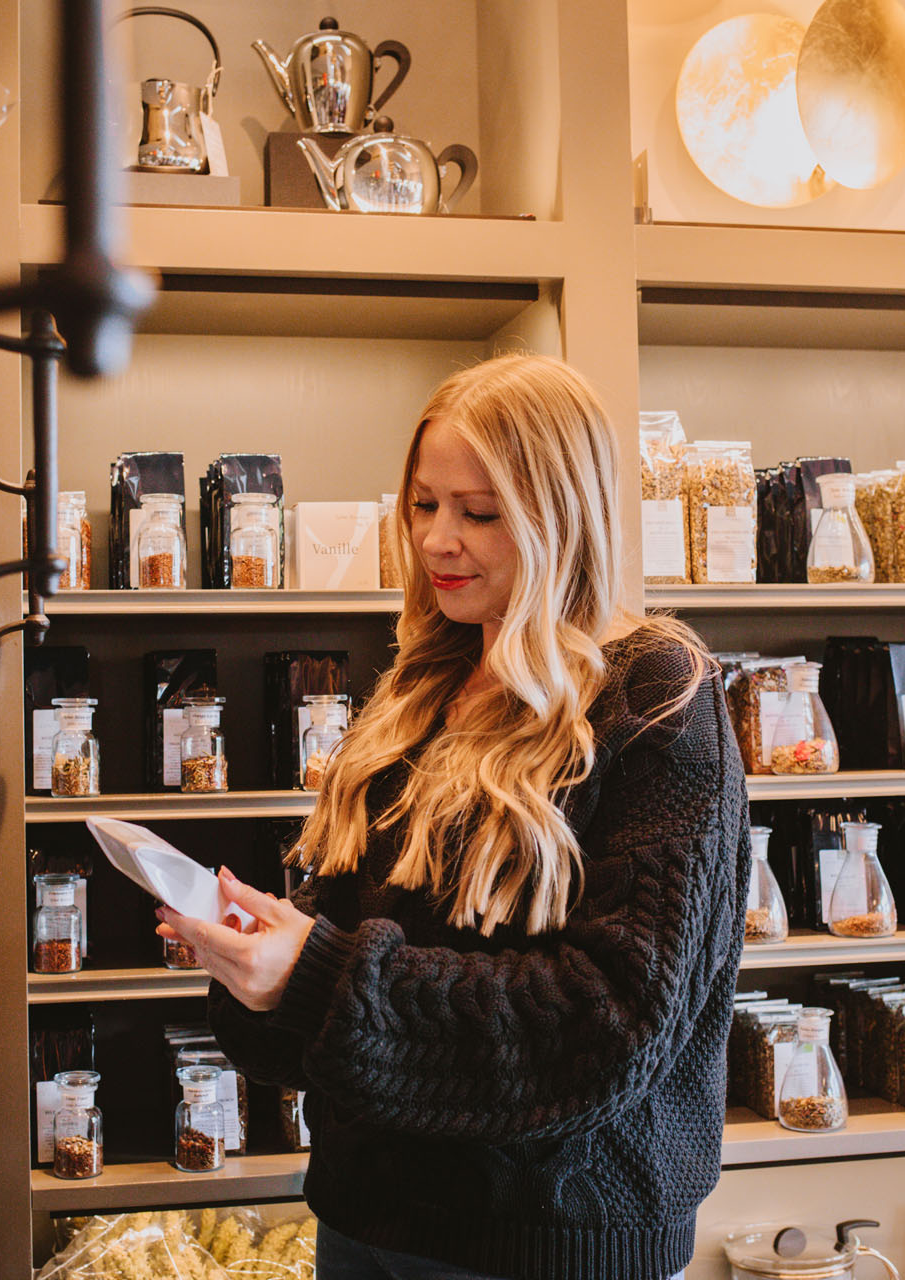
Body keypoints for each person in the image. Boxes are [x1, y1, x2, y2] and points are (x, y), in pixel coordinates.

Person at [158, 353, 750, 1280]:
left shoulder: (654, 695)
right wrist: (257, 965)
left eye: (480, 513)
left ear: (566, 518)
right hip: (367, 1221)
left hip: (552, 1251)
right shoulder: (416, 692)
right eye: (424, 503)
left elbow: (611, 1020)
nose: (437, 540)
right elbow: (354, 955)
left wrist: (312, 978)